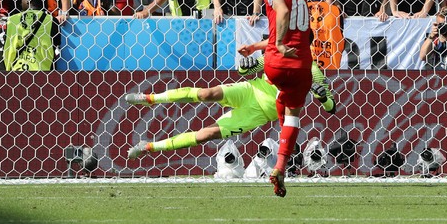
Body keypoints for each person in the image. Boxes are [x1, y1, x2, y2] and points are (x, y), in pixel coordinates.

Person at [125, 58, 336, 165]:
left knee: (207, 134)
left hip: (259, 113)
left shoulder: (313, 71)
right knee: (207, 94)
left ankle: (149, 147)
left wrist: (323, 97)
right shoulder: (274, 53)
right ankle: (150, 99)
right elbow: (244, 70)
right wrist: (246, 65)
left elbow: (331, 108)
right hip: (249, 90)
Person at [237, 0, 313, 197]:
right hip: (301, 64)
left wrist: (278, 44)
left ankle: (277, 164)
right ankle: (281, 166)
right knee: (292, 114)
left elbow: (281, 11)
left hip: (277, 63)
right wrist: (258, 46)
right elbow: (296, 30)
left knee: (279, 93)